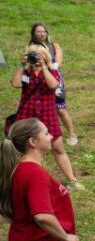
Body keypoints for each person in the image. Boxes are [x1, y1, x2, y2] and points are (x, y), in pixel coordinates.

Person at [10, 46, 81, 188]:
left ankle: (73, 181)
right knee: (22, 151)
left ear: (46, 55)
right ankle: (23, 181)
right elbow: (16, 83)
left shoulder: (51, 70)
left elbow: (53, 85)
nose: (36, 58)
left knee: (58, 148)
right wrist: (22, 65)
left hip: (48, 115)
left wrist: (44, 66)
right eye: (33, 55)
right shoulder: (26, 71)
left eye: (39, 54)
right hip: (27, 116)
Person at [28, 23, 78, 145]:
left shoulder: (54, 46)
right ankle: (44, 137)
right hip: (39, 80)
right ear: (34, 34)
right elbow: (29, 65)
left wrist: (49, 65)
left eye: (44, 31)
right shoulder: (31, 47)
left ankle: (72, 134)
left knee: (60, 109)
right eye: (39, 32)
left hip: (55, 79)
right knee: (41, 109)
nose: (42, 34)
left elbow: (59, 63)